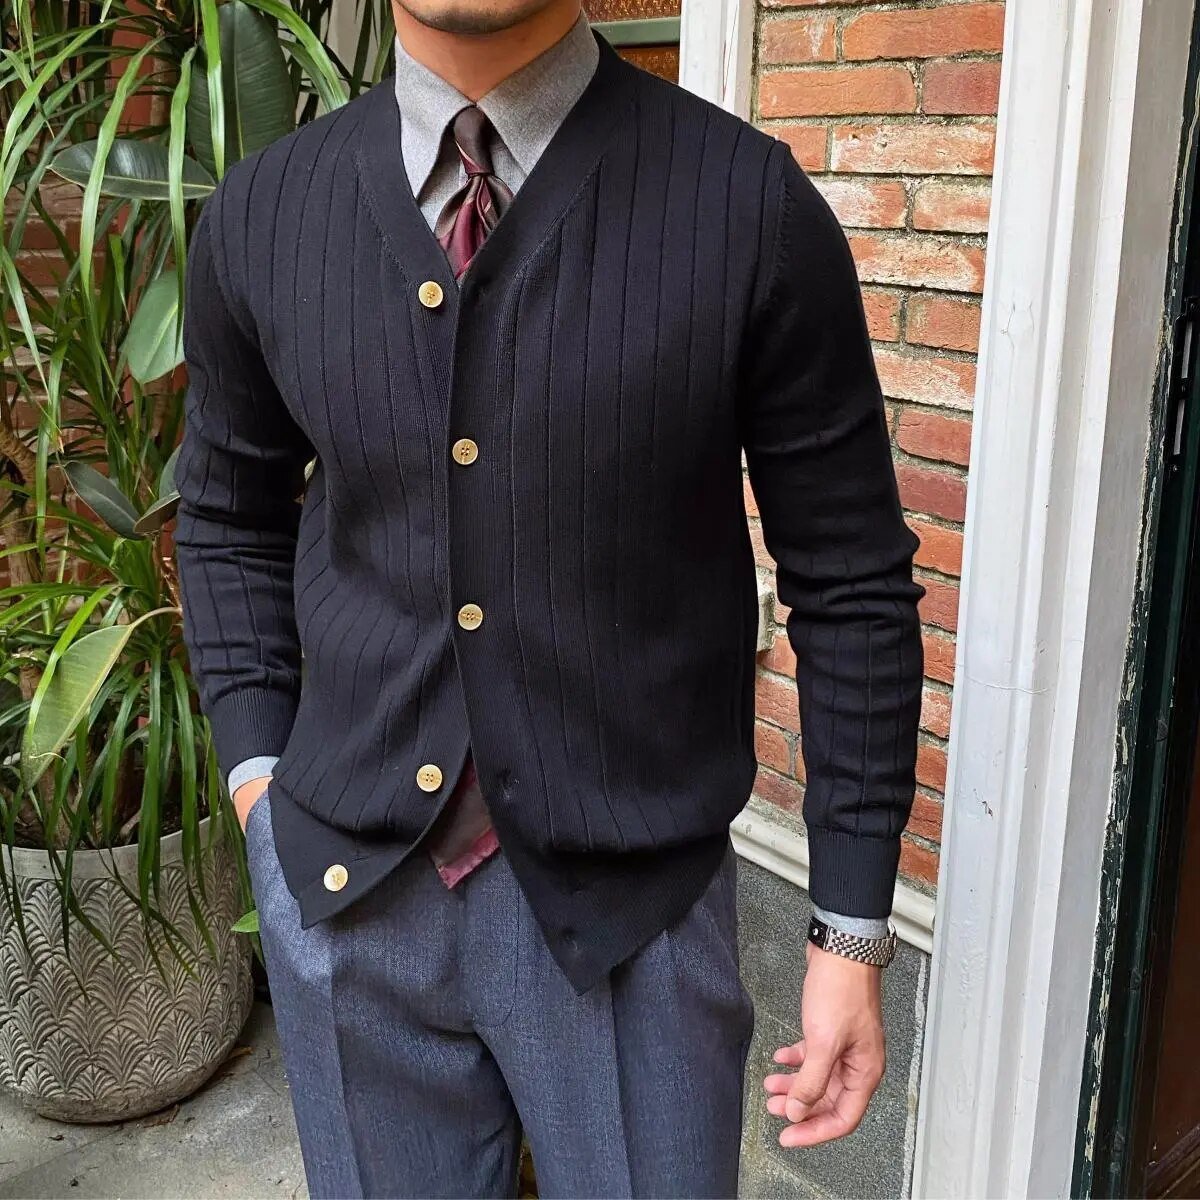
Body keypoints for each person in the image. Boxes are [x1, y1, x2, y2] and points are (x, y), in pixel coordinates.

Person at [175, 1, 924, 1195]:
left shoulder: (748, 206)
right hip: (348, 903)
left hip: (636, 923)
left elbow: (851, 580)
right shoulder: (263, 213)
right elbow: (226, 516)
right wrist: (258, 782)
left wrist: (849, 930)